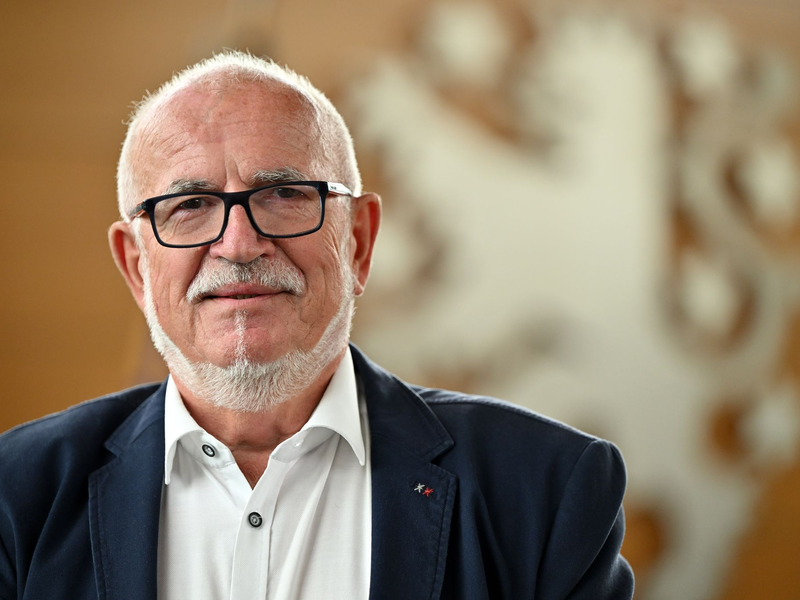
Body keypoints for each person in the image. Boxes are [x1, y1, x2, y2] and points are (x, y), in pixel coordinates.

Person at [0, 51, 634, 599]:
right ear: (136, 266)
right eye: (190, 205)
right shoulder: (15, 496)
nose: (239, 243)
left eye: (284, 194)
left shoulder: (545, 489)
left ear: (357, 241)